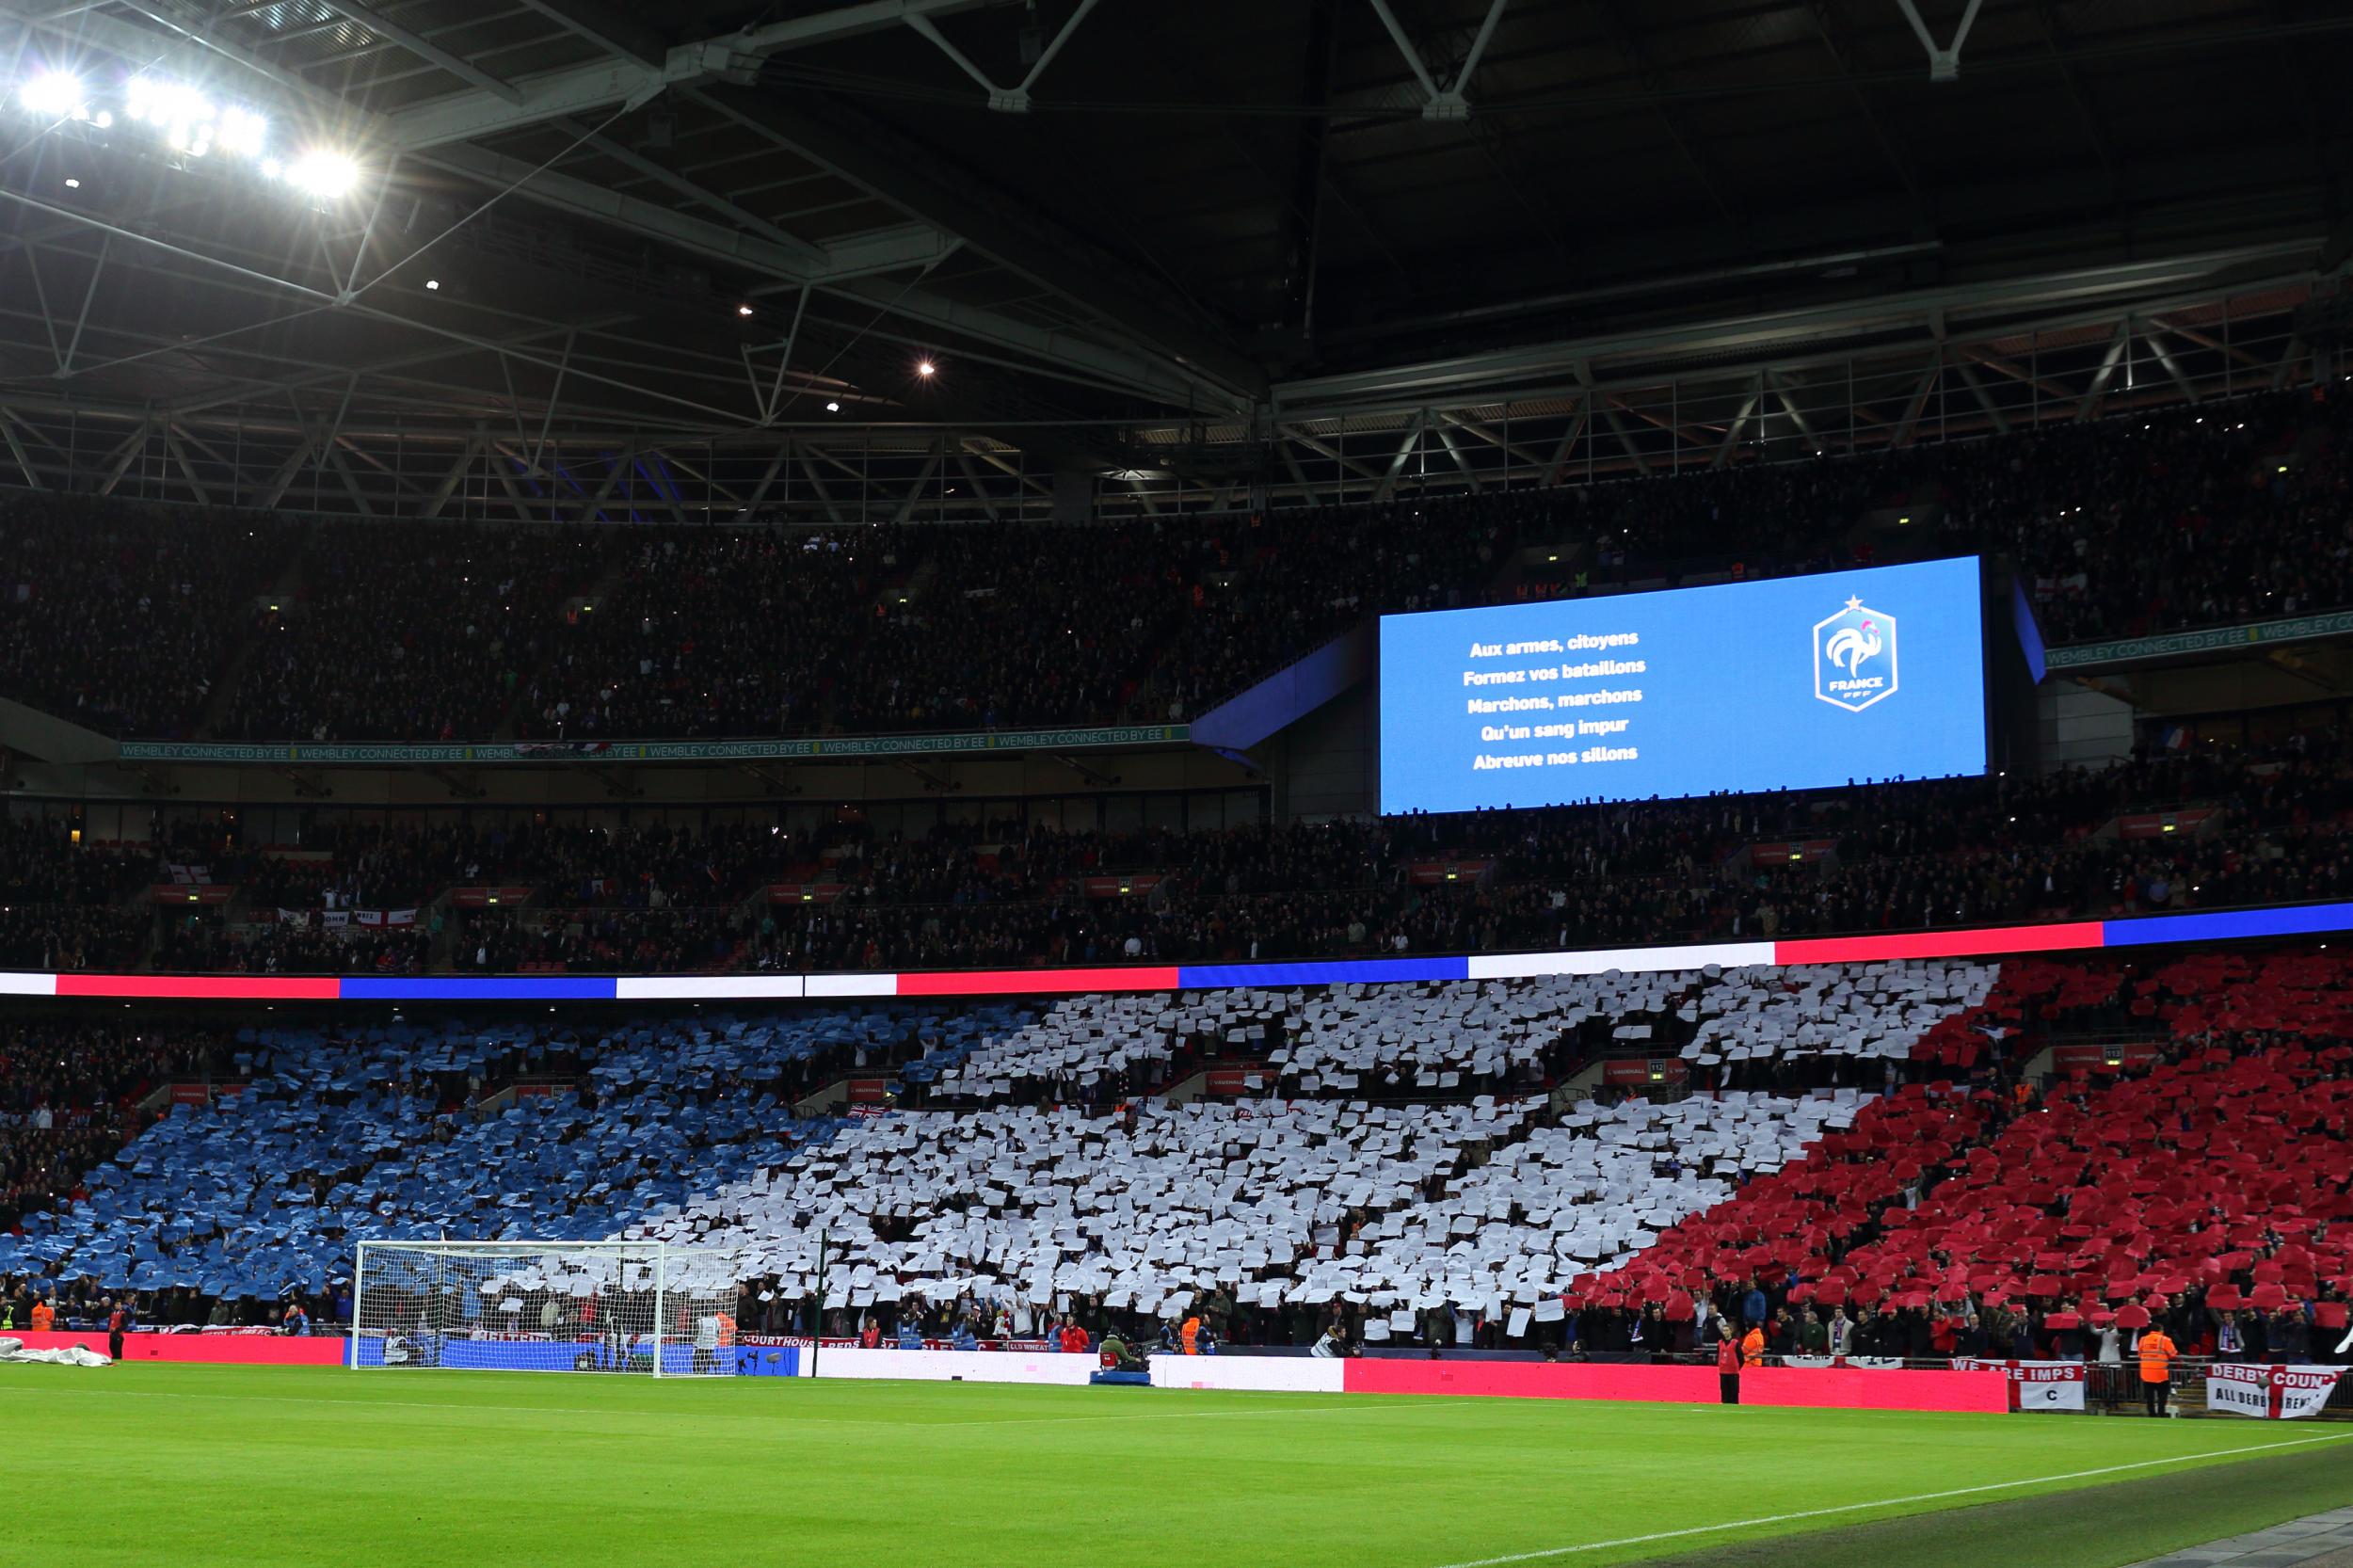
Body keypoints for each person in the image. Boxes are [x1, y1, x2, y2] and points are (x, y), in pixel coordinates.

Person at [2137, 1322, 2178, 1417]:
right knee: (2162, 1394)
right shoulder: (2165, 1340)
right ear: (2161, 1330)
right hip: (2160, 1372)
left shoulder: (2143, 1339)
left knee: (2149, 1396)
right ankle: (2161, 1412)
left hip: (2146, 1372)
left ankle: (2151, 1413)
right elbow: (2173, 1354)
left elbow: (2140, 1354)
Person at [1715, 1317, 1742, 1405]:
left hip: (1733, 1372)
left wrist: (1737, 1367)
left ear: (1731, 1331)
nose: (1725, 1332)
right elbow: (1718, 1355)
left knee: (1734, 1393)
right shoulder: (1720, 1343)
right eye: (1724, 1330)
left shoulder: (1735, 1343)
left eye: (1727, 1330)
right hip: (1723, 1371)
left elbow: (1741, 1358)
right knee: (1724, 1392)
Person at [106, 1296, 128, 1362]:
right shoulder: (112, 1313)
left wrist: (116, 1329)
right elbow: (110, 1322)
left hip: (118, 1334)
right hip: (112, 1334)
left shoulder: (123, 1314)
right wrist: (109, 1328)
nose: (116, 1305)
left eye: (118, 1304)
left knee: (118, 1350)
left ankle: (118, 1361)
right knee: (111, 1348)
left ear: (121, 1305)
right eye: (116, 1304)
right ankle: (114, 1360)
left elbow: (125, 1325)